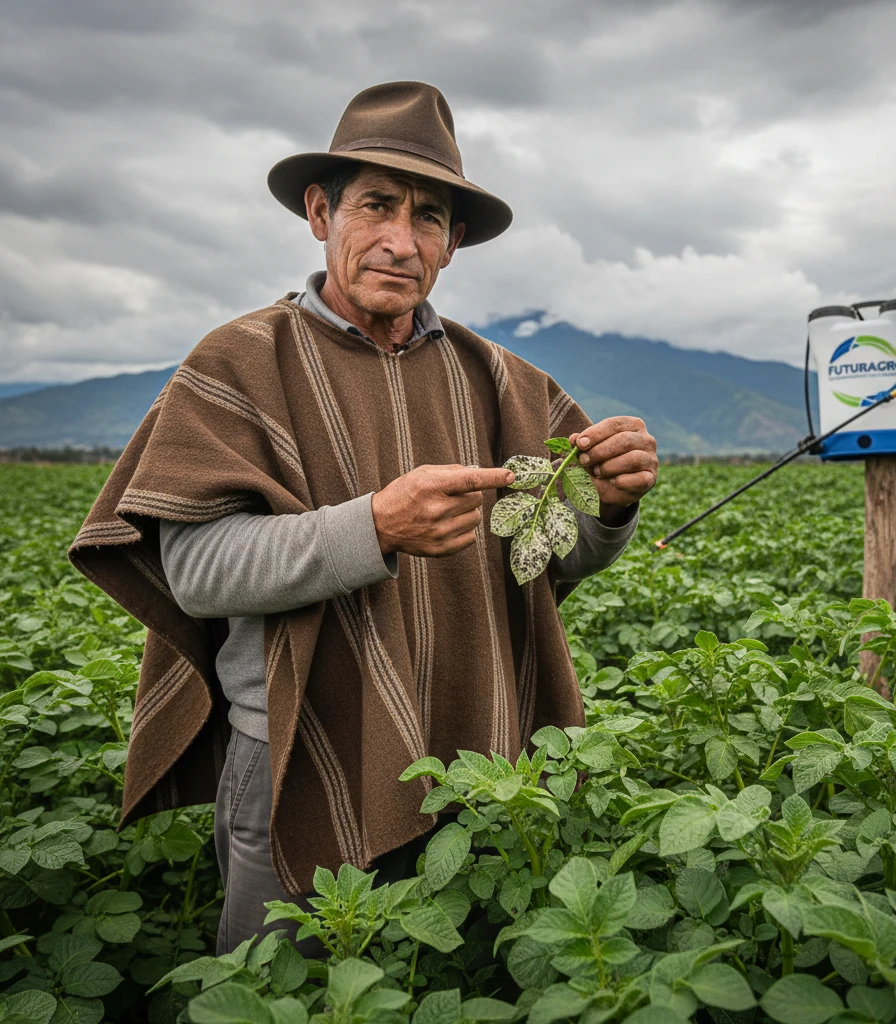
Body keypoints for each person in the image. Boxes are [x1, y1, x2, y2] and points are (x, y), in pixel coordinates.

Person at [69, 81, 658, 956]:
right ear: (320, 212)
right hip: (301, 760)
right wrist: (373, 527)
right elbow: (196, 573)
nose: (401, 240)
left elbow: (552, 559)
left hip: (476, 760)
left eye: (429, 218)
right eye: (376, 205)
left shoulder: (499, 380)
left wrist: (611, 505)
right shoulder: (241, 362)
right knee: (282, 993)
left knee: (444, 988)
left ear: (453, 243)